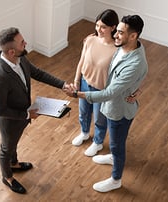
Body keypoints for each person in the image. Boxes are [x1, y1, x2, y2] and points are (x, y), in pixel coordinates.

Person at [64, 15, 148, 192]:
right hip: (112, 104)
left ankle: (116, 179)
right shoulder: (126, 47)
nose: (115, 35)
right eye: (116, 31)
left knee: (117, 145)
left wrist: (77, 94)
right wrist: (138, 88)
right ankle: (111, 156)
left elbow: (110, 92)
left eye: (120, 32)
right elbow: (142, 73)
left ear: (133, 36)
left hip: (119, 110)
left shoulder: (135, 62)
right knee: (114, 142)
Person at [0, 27, 68, 194]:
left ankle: (14, 163)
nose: (25, 44)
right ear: (11, 52)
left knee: (13, 144)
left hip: (22, 115)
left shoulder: (21, 58)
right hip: (10, 121)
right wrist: (27, 114)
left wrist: (63, 85)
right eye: (22, 43)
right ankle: (8, 177)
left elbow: (38, 73)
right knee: (6, 148)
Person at [71, 9, 119, 157]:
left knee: (99, 118)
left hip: (101, 90)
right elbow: (81, 61)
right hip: (85, 83)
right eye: (97, 25)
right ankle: (84, 133)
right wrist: (77, 80)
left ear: (113, 27)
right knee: (83, 112)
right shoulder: (90, 40)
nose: (99, 29)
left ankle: (97, 142)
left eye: (103, 26)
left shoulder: (117, 50)